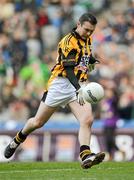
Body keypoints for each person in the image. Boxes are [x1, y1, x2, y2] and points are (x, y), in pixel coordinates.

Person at [4, 13, 105, 169]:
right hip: (61, 84)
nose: (89, 33)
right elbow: (69, 69)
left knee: (87, 119)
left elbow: (85, 54)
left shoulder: (88, 39)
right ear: (78, 24)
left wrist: (91, 60)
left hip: (78, 83)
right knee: (38, 122)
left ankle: (85, 155)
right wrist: (78, 89)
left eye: (91, 30)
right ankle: (18, 138)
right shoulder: (68, 42)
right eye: (86, 29)